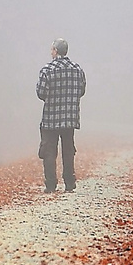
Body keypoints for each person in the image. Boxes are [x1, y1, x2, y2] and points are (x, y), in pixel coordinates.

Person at [35, 38, 86, 193]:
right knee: (68, 150)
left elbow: (41, 93)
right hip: (70, 118)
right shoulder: (77, 69)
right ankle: (69, 182)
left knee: (49, 151)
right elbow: (81, 91)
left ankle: (51, 185)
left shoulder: (47, 70)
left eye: (52, 49)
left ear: (55, 51)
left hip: (51, 118)